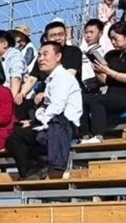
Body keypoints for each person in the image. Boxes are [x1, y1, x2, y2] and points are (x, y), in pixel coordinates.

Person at [6, 42, 82, 179]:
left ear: (58, 57)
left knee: (51, 126)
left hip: (64, 127)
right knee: (15, 137)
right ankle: (31, 173)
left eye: (45, 54)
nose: (41, 59)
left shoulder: (63, 78)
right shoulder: (50, 80)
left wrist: (36, 120)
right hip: (47, 125)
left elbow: (56, 109)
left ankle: (53, 170)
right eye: (39, 55)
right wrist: (34, 122)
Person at [79, 21, 126, 143]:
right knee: (82, 98)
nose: (113, 42)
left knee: (97, 100)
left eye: (115, 38)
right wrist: (98, 70)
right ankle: (85, 135)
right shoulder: (112, 55)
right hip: (113, 94)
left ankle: (98, 135)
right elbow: (105, 80)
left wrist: (108, 71)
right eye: (111, 39)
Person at [17, 21, 84, 121]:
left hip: (65, 97)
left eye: (61, 34)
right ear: (46, 38)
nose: (57, 38)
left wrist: (46, 93)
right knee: (19, 106)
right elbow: (32, 78)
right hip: (44, 96)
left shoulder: (73, 51)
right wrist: (21, 94)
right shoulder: (42, 57)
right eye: (53, 35)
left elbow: (69, 76)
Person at [0, 30, 26, 103]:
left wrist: (9, 103)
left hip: (15, 100)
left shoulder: (14, 55)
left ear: (4, 44)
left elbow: (16, 78)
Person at [80, 19, 110, 93]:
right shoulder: (82, 52)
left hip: (97, 87)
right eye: (86, 32)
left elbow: (105, 69)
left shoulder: (100, 52)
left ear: (100, 33)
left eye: (91, 32)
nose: (88, 35)